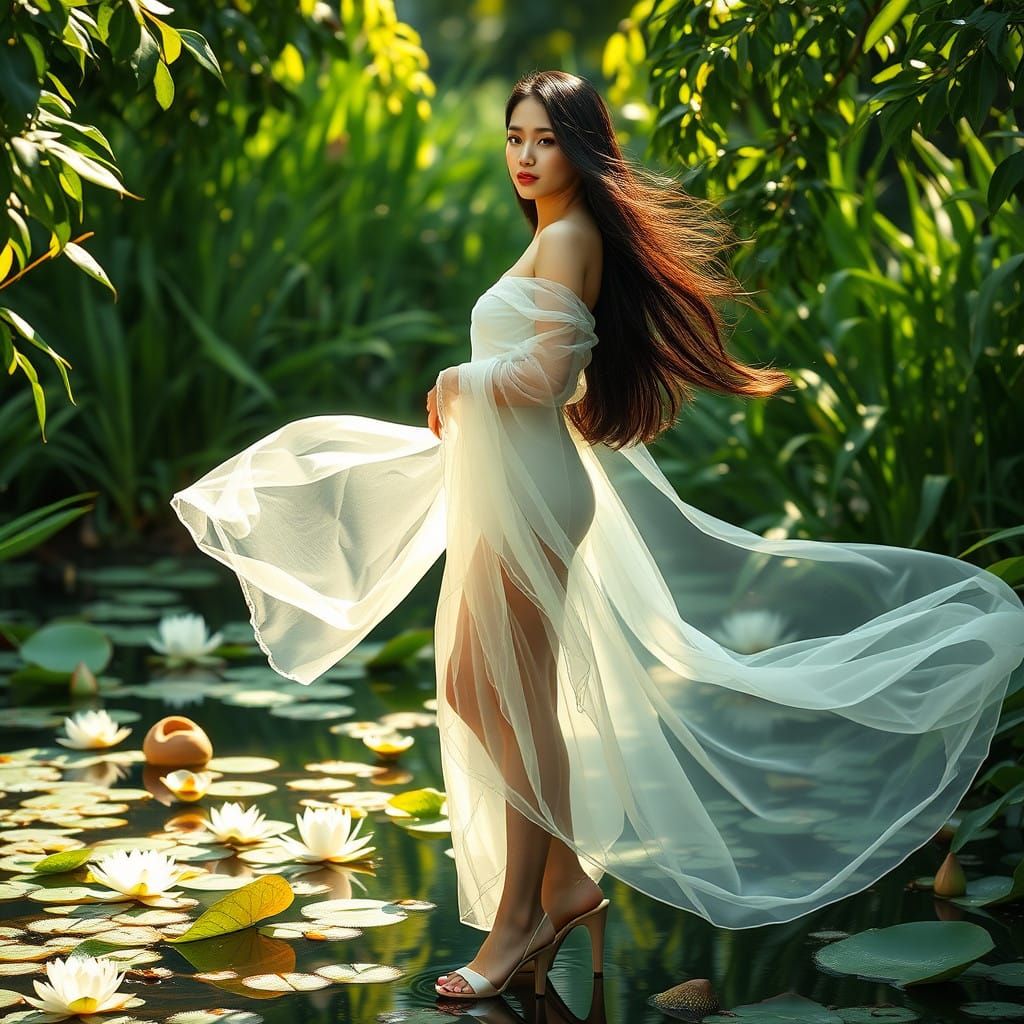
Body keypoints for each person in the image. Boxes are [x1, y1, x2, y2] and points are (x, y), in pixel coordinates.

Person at [171, 70, 1024, 1003]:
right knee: (470, 681)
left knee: (517, 692)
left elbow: (545, 377)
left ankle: (521, 921)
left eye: (543, 139)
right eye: (513, 139)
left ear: (580, 146)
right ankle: (569, 877)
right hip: (510, 490)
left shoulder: (572, 237)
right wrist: (471, 392)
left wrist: (459, 382)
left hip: (533, 494)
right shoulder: (549, 239)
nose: (525, 157)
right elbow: (551, 375)